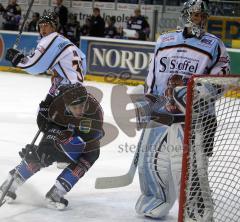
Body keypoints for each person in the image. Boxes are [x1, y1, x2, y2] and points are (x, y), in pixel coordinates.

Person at [135, 0, 230, 221]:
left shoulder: (214, 44)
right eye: (197, 15)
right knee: (150, 162)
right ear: (186, 16)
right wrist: (149, 98)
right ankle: (154, 200)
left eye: (203, 16)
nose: (202, 20)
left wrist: (197, 91)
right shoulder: (164, 40)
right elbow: (153, 72)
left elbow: (222, 77)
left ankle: (196, 209)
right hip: (162, 111)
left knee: (191, 167)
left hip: (195, 116)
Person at [0, 11, 91, 209]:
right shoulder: (70, 45)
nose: (43, 28)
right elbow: (80, 67)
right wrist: (53, 91)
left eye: (47, 24)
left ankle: (12, 183)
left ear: (55, 27)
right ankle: (54, 189)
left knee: (51, 149)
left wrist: (17, 59)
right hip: (73, 99)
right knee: (79, 150)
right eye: (40, 24)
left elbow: (34, 66)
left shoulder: (52, 39)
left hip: (66, 101)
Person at [0, 83, 104, 210]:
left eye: (82, 106)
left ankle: (57, 191)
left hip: (84, 135)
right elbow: (46, 125)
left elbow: (88, 139)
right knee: (43, 155)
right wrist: (43, 150)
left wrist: (60, 148)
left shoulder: (94, 113)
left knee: (92, 153)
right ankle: (9, 184)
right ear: (66, 105)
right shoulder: (57, 105)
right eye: (75, 107)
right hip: (62, 126)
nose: (79, 110)